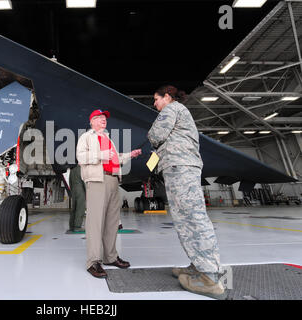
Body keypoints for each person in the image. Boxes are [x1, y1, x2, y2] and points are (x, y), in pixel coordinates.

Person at [147, 85, 225, 299]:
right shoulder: (179, 111)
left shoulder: (171, 109)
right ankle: (198, 265)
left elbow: (155, 134)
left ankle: (210, 277)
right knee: (185, 218)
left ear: (167, 97)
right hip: (178, 166)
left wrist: (152, 137)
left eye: (156, 99)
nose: (154, 104)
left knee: (193, 217)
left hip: (180, 166)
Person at [76, 109, 141, 278]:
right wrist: (101, 155)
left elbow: (115, 158)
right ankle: (93, 261)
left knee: (112, 222)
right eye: (99, 118)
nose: (103, 120)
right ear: (92, 122)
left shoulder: (107, 138)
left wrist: (129, 155)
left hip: (113, 180)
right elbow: (80, 157)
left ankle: (110, 257)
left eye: (104, 118)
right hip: (98, 180)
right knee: (95, 222)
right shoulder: (87, 137)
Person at [69, 164, 86, 232]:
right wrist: (87, 192)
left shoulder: (72, 170)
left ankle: (71, 225)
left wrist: (72, 190)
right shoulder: (81, 168)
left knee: (74, 208)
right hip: (80, 190)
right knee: (80, 208)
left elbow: (70, 181)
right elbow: (83, 181)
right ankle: (77, 226)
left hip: (74, 190)